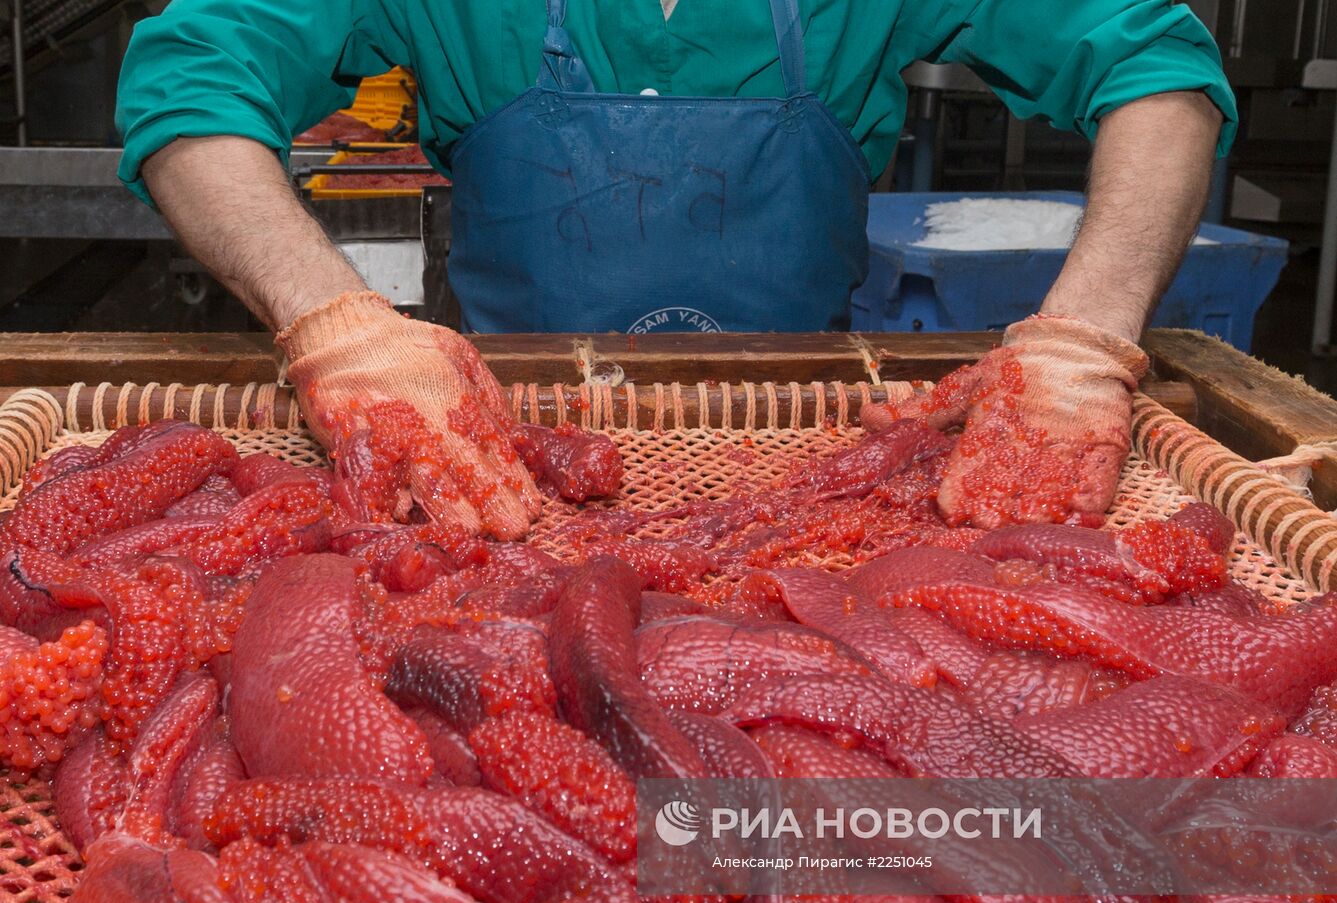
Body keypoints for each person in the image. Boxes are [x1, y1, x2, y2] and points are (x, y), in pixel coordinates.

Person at [115, 0, 1234, 537]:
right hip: (492, 461)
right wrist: (330, 321)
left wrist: (1086, 334)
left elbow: (1158, 71)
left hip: (819, 458)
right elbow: (191, 82)